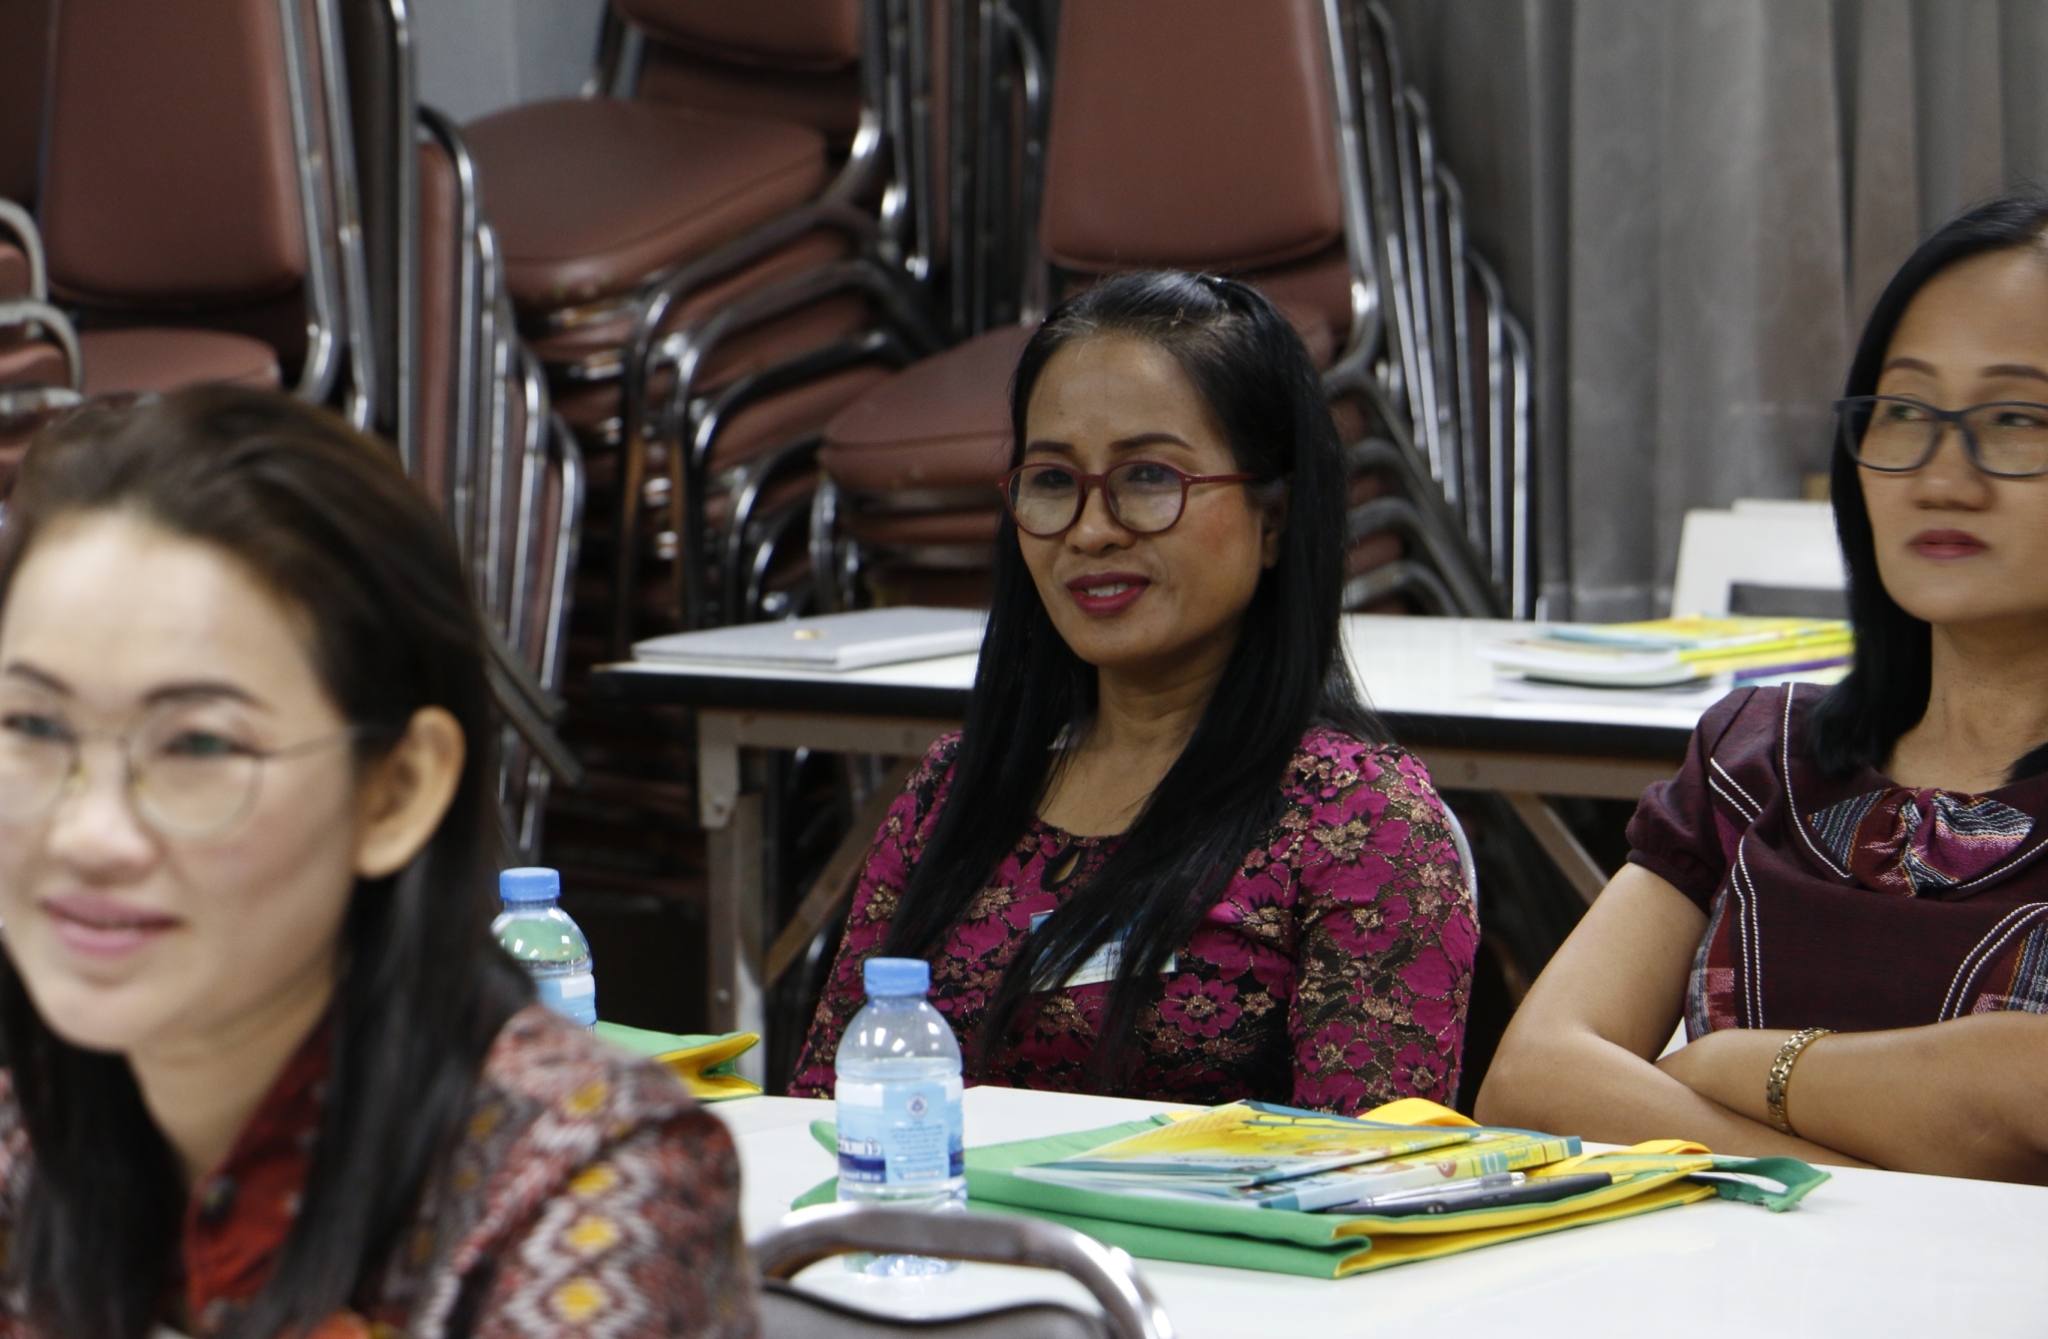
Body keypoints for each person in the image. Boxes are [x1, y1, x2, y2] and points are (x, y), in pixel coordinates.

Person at [0, 389, 757, 1338]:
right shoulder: (29, 1129)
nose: (89, 832)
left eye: (197, 745)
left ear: (396, 791)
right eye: (33, 725)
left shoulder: (592, 1175)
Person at [790, 272, 1476, 1113]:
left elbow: (1370, 1169)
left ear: (1273, 517)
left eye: (1149, 476)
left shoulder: (1359, 821)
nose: (1090, 529)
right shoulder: (954, 791)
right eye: (1051, 479)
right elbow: (826, 1109)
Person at [1477, 193, 2048, 1184]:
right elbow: (1532, 1081)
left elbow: (2024, 1093)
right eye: (1904, 411)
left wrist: (1742, 1067)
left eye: (2013, 420)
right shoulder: (1758, 754)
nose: (1941, 477)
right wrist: (1826, 1177)